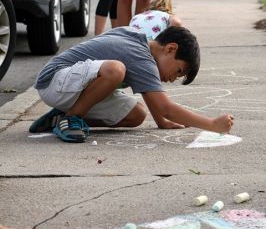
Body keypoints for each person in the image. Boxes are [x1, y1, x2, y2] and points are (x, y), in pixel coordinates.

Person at [29, 26, 234, 143]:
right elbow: (165, 108)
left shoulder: (141, 43)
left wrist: (161, 122)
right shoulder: (140, 55)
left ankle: (61, 118)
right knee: (115, 70)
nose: (174, 78)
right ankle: (73, 117)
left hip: (71, 87)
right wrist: (212, 125)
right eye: (179, 71)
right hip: (54, 79)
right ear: (170, 49)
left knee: (136, 115)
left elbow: (154, 100)